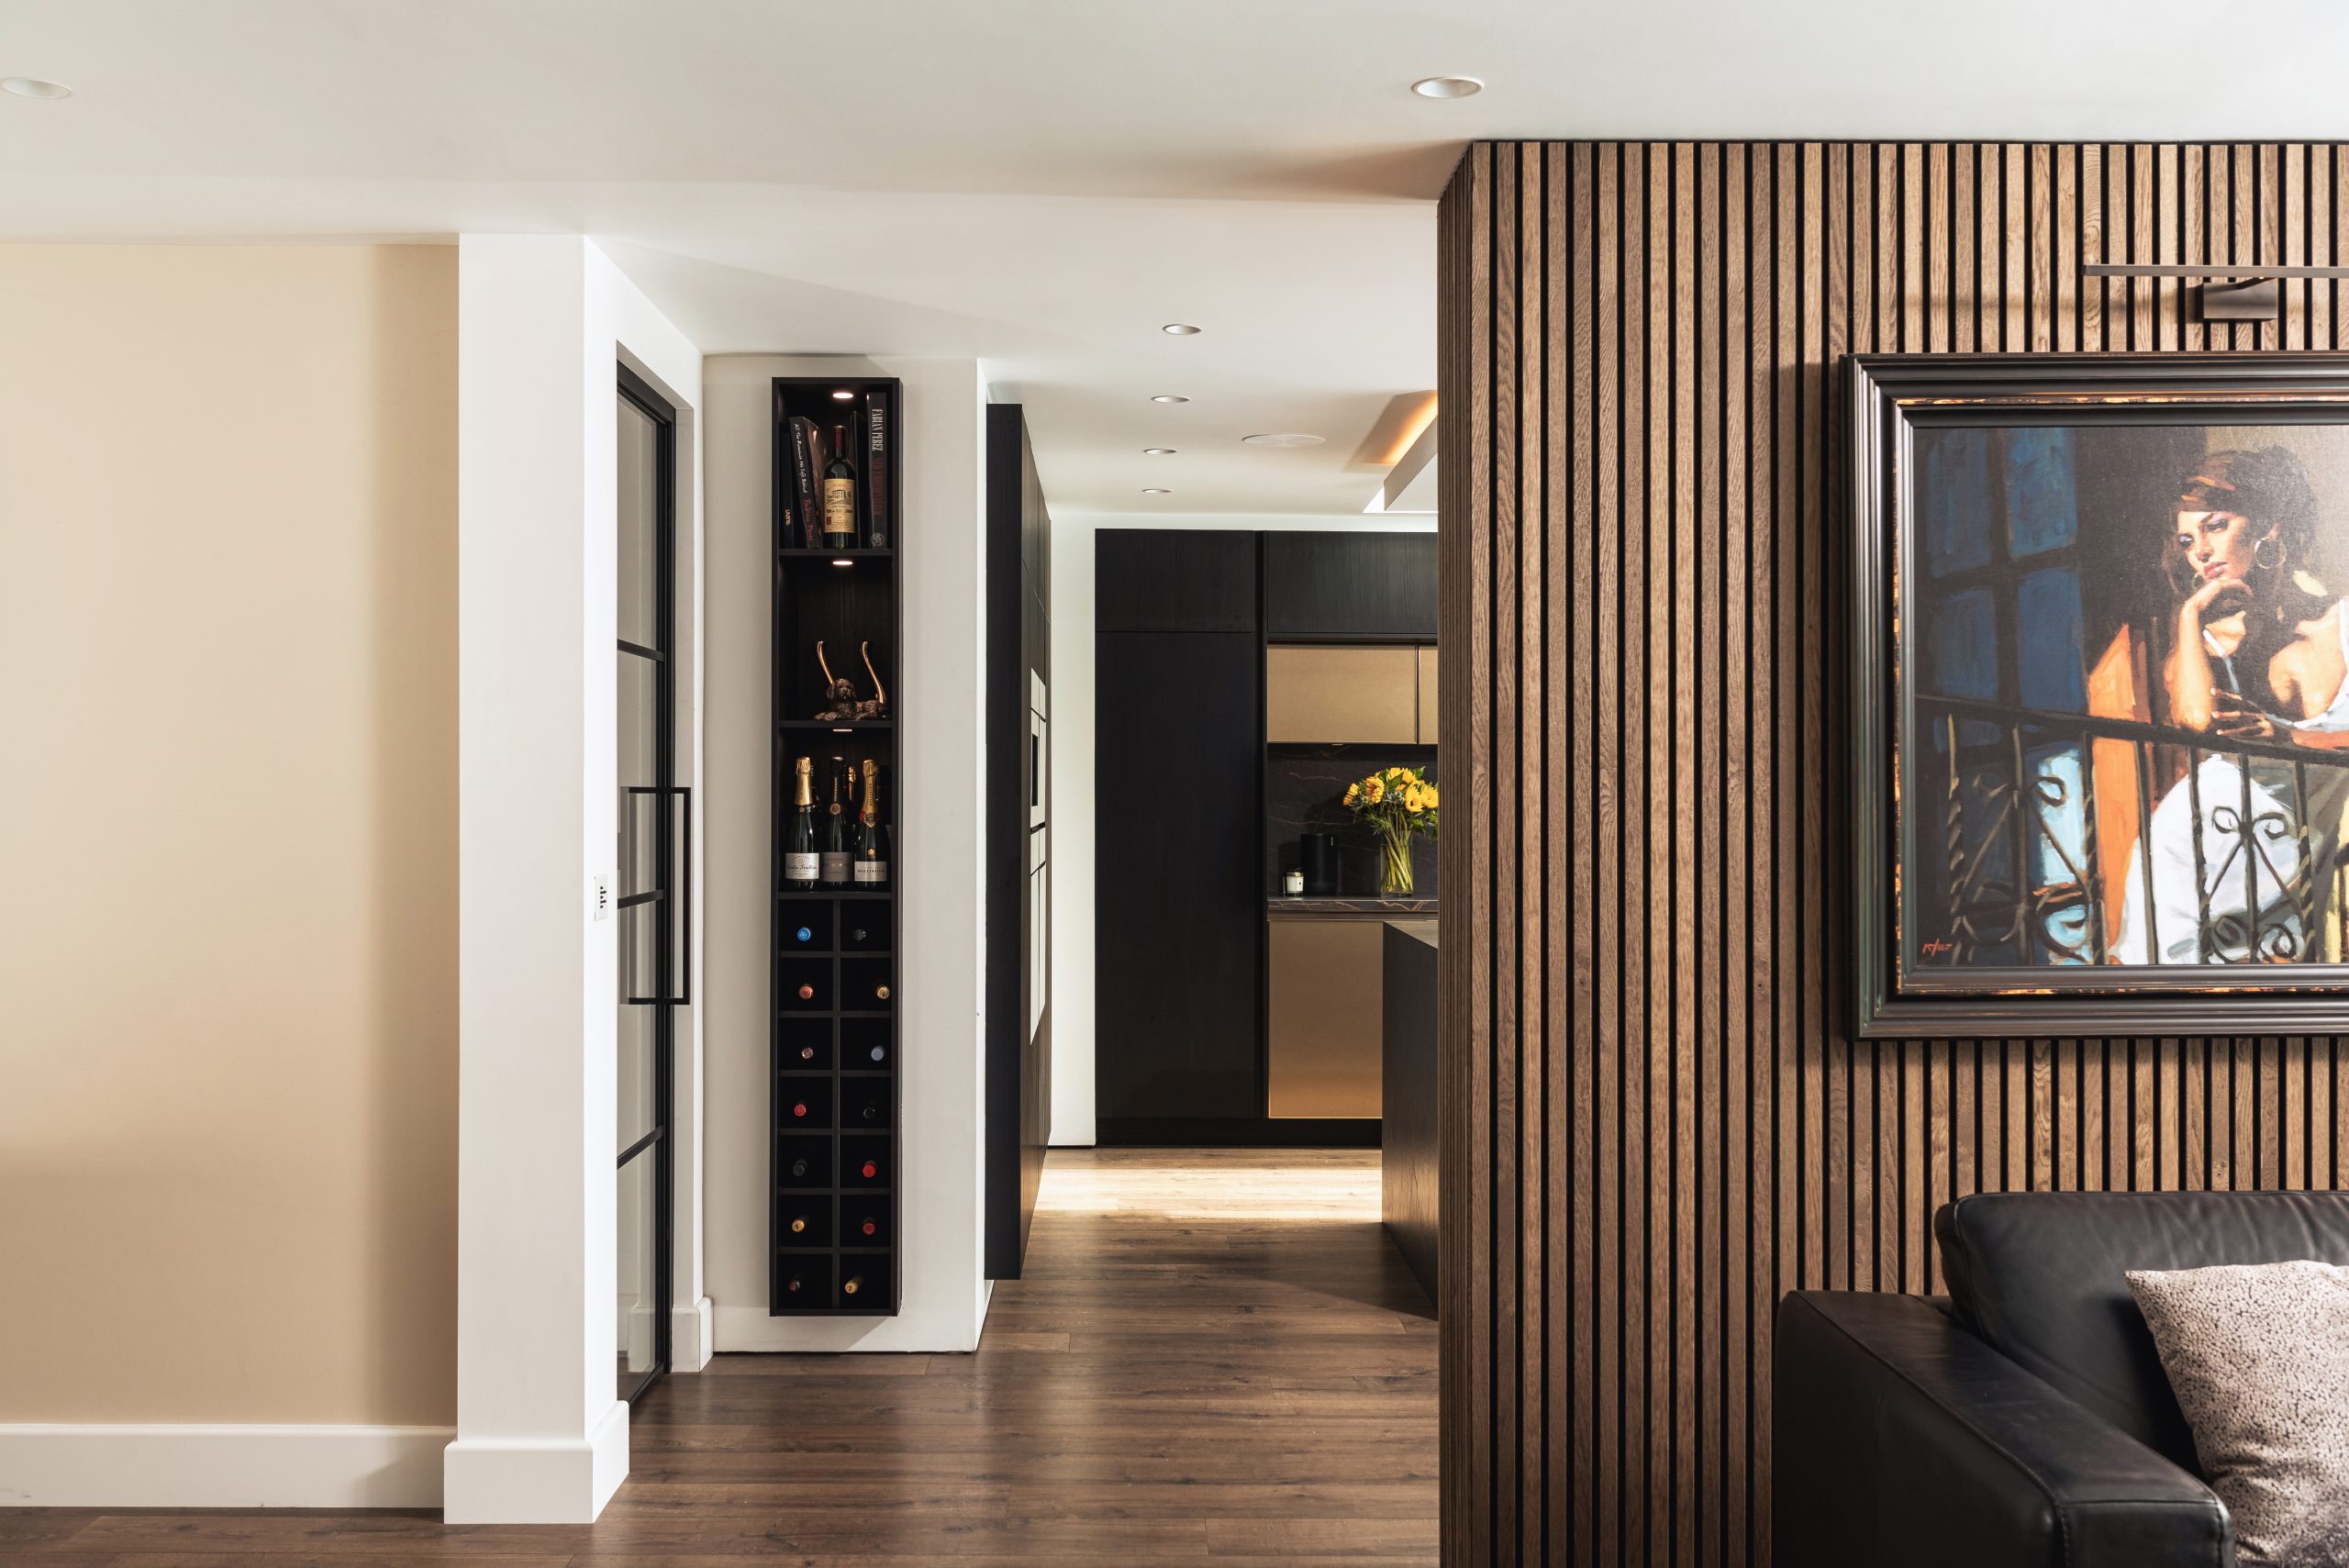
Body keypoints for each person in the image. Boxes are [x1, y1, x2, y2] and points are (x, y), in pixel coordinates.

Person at [2113, 446, 2349, 962]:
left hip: (2301, 848)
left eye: (2216, 525)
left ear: (2271, 526)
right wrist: (2189, 616)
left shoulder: (2342, 621)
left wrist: (2285, 739)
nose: (2199, 550)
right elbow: (2195, 723)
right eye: (2186, 540)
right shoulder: (2209, 639)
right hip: (2199, 841)